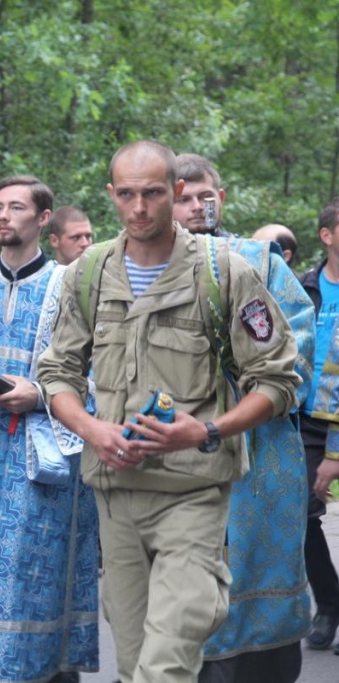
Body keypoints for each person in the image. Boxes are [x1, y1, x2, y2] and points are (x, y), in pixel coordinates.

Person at [37, 140, 301, 683]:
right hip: (115, 495)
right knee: (135, 666)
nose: (139, 208)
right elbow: (57, 374)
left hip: (194, 495)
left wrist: (205, 430)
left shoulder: (223, 272)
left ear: (177, 192)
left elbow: (277, 381)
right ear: (111, 195)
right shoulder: (87, 274)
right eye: (127, 195)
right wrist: (92, 429)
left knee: (165, 665)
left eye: (153, 193)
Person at [173, 153, 313, 683]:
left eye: (201, 195)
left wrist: (238, 379)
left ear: (220, 197)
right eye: (181, 196)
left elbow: (297, 344)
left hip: (260, 456)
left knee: (257, 586)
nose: (193, 206)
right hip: (178, 457)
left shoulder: (263, 260)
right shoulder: (146, 265)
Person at [0, 175, 99, 683]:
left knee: (36, 581)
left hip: (46, 456)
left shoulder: (69, 285)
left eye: (16, 207)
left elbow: (102, 375)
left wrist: (40, 396)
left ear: (43, 219)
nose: (3, 216)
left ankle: (50, 674)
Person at [297, 196, 339, 652]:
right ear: (327, 236)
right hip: (306, 418)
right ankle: (328, 603)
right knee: (303, 515)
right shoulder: (302, 288)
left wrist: (336, 453)